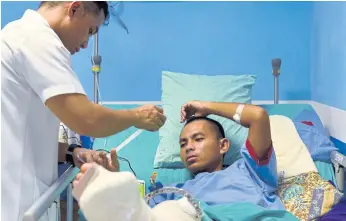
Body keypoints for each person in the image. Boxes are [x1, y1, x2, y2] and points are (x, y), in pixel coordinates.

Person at [1, 1, 166, 221]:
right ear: (75, 8)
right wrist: (137, 116)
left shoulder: (15, 36)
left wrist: (73, 153)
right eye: (90, 31)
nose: (87, 44)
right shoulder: (35, 39)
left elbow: (22, 136)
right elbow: (87, 119)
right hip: (15, 204)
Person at [72, 101, 284, 221]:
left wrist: (207, 108)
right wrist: (114, 179)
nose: (188, 147)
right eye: (183, 144)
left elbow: (258, 116)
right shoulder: (172, 191)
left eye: (198, 139)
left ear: (223, 146)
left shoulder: (250, 170)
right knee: (167, 211)